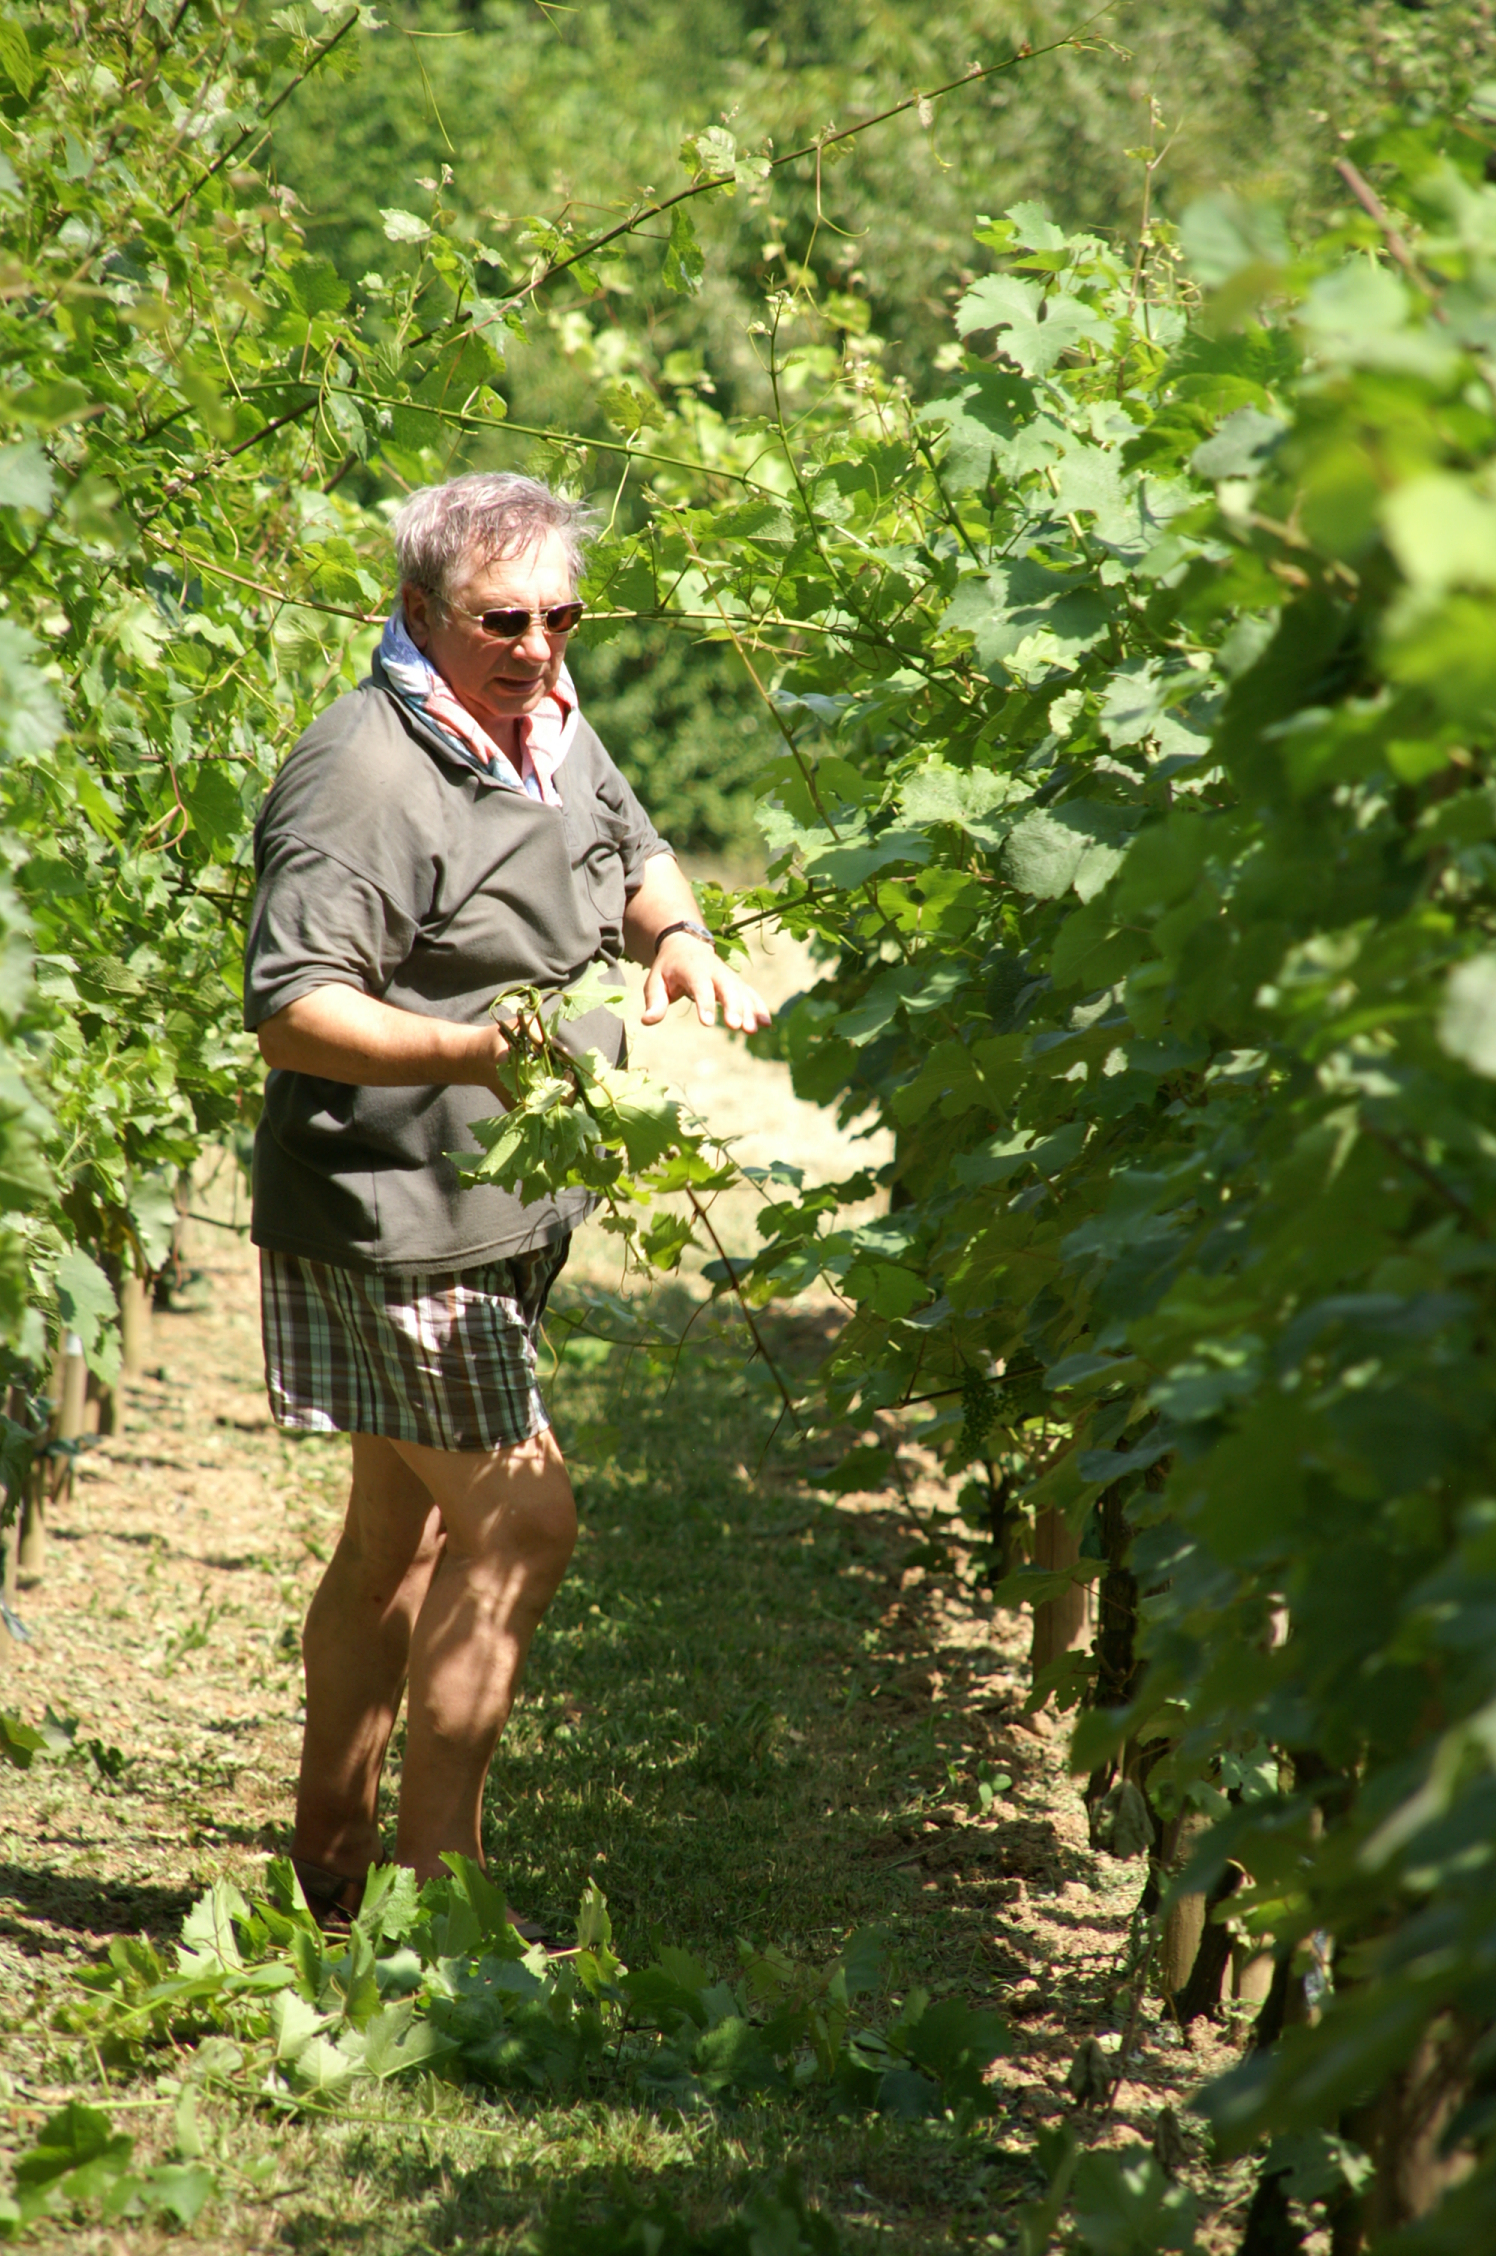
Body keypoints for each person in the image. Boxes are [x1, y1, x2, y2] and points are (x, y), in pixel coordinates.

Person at [242, 471, 771, 1934]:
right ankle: (439, 1909)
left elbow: (632, 847)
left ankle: (329, 1866)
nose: (539, 645)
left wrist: (676, 936)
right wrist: (474, 1052)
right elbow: (294, 1009)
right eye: (503, 620)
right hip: (398, 1214)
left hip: (491, 1209)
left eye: (560, 616)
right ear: (419, 611)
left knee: (398, 1540)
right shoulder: (364, 778)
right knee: (525, 1524)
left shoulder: (542, 719)